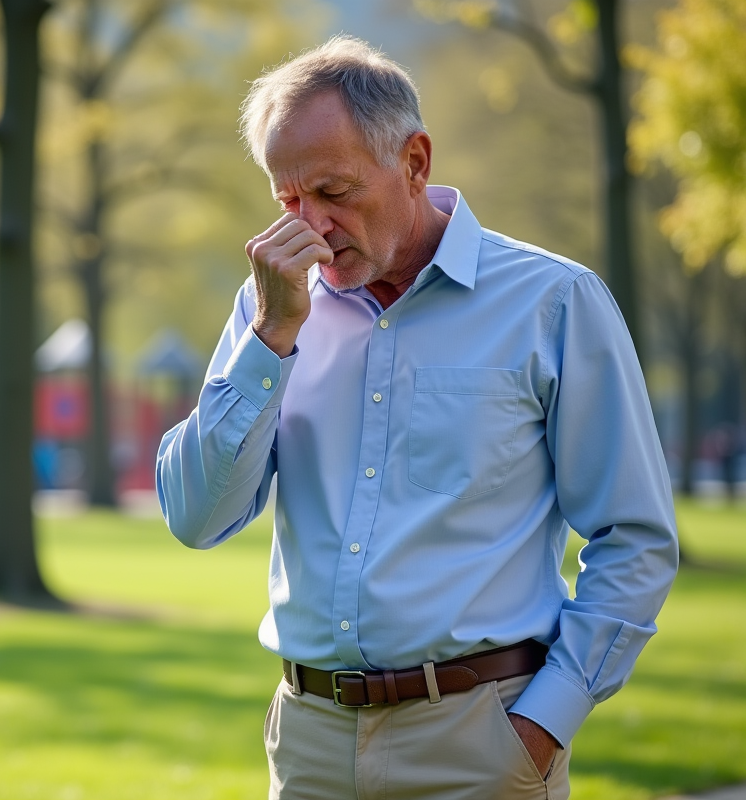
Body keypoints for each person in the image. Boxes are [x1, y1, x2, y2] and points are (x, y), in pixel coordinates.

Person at [155, 35, 678, 800]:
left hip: (483, 745)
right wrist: (269, 339)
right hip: (309, 744)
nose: (311, 227)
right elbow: (195, 517)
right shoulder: (272, 308)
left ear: (415, 161)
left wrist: (542, 726)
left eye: (333, 192)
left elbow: (634, 535)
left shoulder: (553, 302)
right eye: (287, 201)